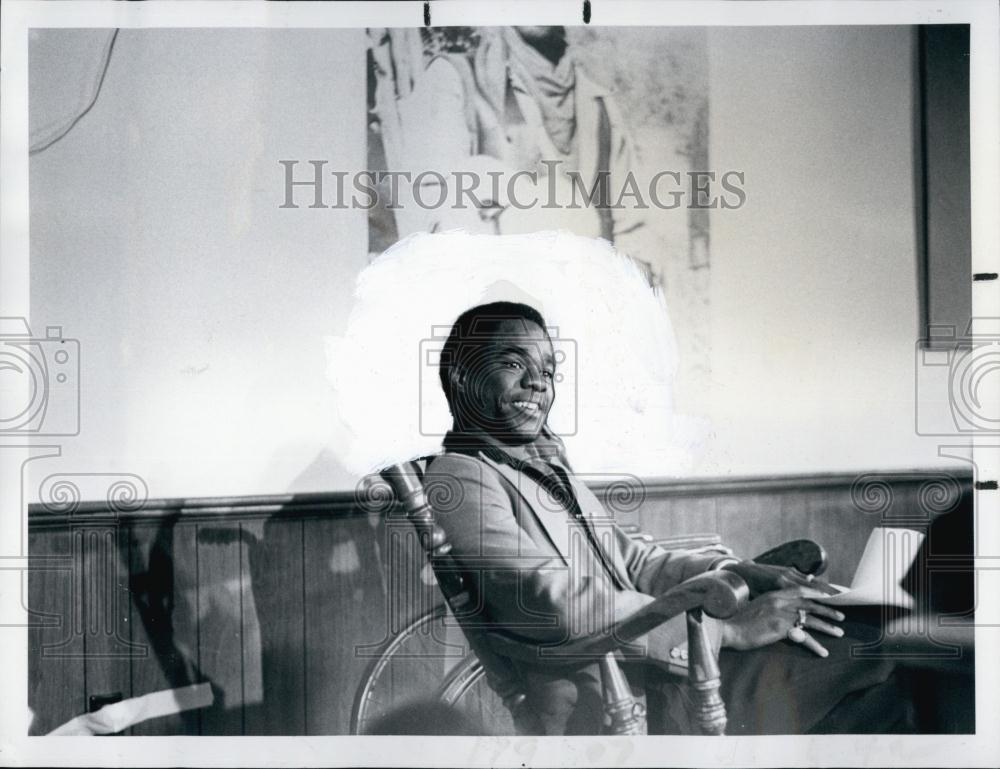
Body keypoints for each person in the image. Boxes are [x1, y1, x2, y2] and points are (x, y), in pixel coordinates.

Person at [425, 300, 918, 735]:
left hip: (662, 663)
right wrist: (730, 629)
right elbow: (545, 601)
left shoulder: (537, 466)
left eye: (549, 370)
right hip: (632, 692)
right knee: (890, 664)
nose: (538, 381)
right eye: (514, 363)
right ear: (463, 377)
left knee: (873, 642)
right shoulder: (460, 477)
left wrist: (735, 573)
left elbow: (636, 562)